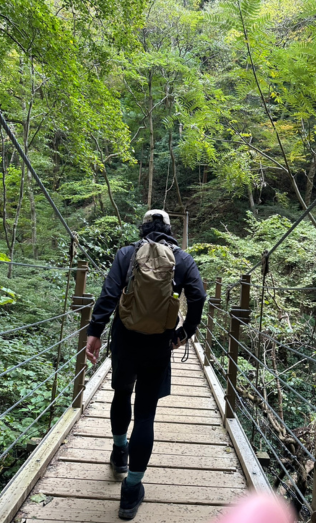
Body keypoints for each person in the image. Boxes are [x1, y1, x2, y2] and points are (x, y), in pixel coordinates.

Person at [86, 209, 206, 520]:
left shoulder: (127, 254)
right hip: (159, 343)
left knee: (122, 393)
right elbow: (198, 297)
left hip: (125, 338)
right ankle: (131, 491)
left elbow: (109, 293)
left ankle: (119, 453)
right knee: (145, 414)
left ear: (143, 227)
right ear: (170, 229)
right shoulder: (182, 259)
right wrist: (185, 332)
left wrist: (95, 331)